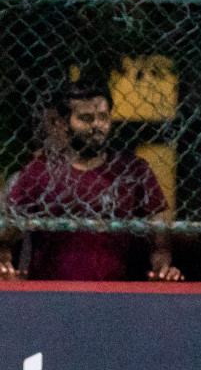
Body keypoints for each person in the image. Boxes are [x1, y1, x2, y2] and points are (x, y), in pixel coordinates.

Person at [3, 81, 182, 282]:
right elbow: (5, 236)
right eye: (86, 118)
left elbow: (160, 239)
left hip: (113, 294)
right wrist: (4, 263)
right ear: (64, 123)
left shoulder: (132, 170)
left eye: (103, 117)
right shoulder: (40, 171)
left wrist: (162, 268)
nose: (97, 125)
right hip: (50, 296)